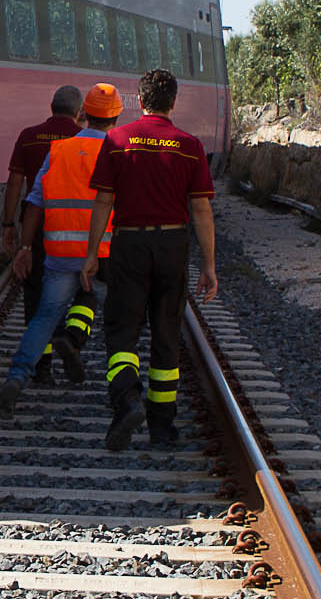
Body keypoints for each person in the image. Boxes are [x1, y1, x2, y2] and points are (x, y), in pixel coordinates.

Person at [78, 69, 217, 451]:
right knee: (166, 334)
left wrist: (92, 255)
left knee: (122, 331)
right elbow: (201, 209)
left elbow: (103, 201)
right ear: (174, 102)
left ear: (140, 101)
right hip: (173, 244)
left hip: (129, 246)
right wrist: (209, 265)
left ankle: (126, 400)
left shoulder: (117, 140)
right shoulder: (189, 145)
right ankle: (161, 426)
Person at [0, 83, 125, 413]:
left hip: (59, 250)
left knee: (44, 315)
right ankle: (117, 385)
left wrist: (26, 246)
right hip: (105, 251)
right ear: (116, 116)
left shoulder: (59, 151)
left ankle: (16, 377)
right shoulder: (119, 153)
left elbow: (35, 202)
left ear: (86, 114)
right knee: (113, 312)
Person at [3, 86, 85, 382]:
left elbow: (15, 183)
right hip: (74, 226)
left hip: (36, 226)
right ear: (78, 112)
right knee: (76, 289)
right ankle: (70, 337)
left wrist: (9, 224)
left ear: (51, 107)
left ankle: (42, 366)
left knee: (36, 292)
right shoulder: (81, 139)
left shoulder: (29, 135)